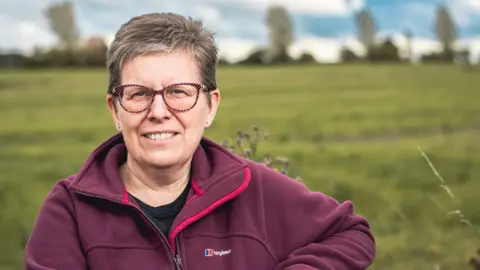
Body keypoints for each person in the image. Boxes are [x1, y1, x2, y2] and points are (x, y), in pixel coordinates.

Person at [24, 12, 376, 270]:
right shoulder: (69, 209)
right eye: (138, 93)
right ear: (115, 110)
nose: (158, 111)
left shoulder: (255, 188)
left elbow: (351, 234)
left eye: (179, 92)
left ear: (210, 106)